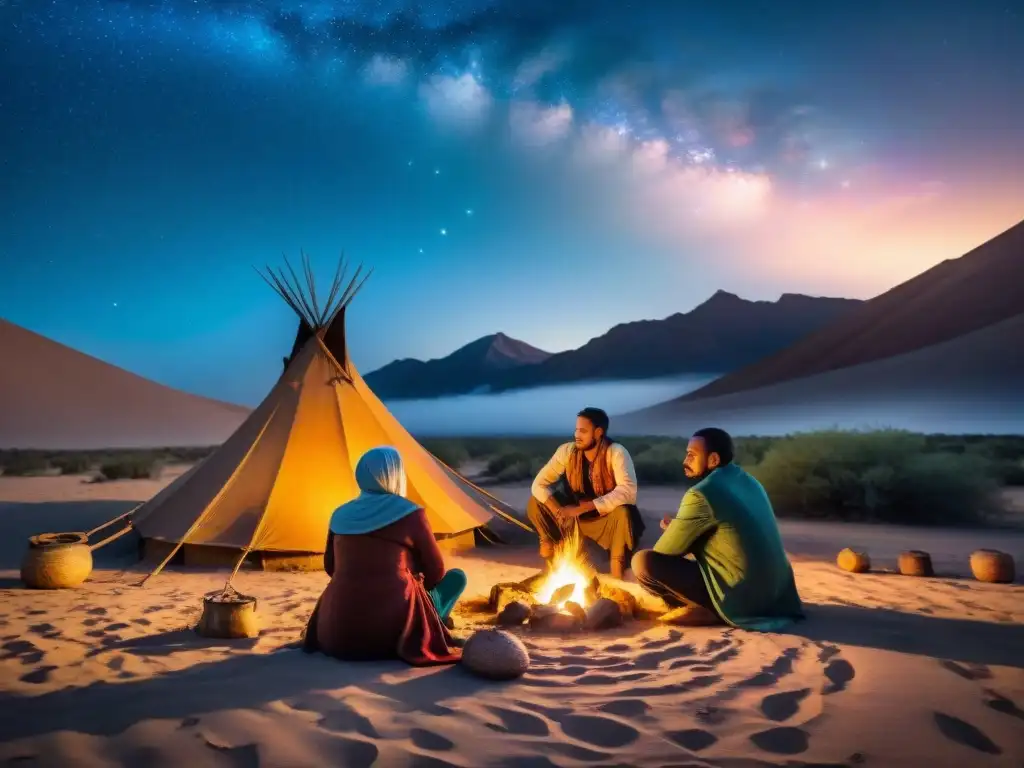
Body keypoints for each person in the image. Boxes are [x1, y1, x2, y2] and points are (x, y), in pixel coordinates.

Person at [302, 446, 466, 665]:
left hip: (335, 632)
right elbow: (437, 573)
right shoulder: (411, 513)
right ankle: (436, 622)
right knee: (457, 578)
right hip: (390, 633)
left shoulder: (340, 514)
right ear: (395, 474)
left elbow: (331, 568)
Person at [631, 427, 803, 630]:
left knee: (643, 562)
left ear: (713, 460)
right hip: (778, 596)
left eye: (692, 455)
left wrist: (675, 530)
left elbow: (664, 551)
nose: (685, 461)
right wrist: (683, 528)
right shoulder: (751, 482)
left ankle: (710, 610)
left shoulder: (701, 494)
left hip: (742, 598)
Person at [526, 407, 645, 579]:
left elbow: (628, 491)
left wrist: (583, 508)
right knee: (535, 502)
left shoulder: (616, 452)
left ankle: (617, 574)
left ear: (598, 432)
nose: (577, 435)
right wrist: (557, 511)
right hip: (572, 517)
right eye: (576, 430)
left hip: (604, 519)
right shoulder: (567, 451)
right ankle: (550, 554)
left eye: (583, 431)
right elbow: (538, 484)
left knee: (623, 512)